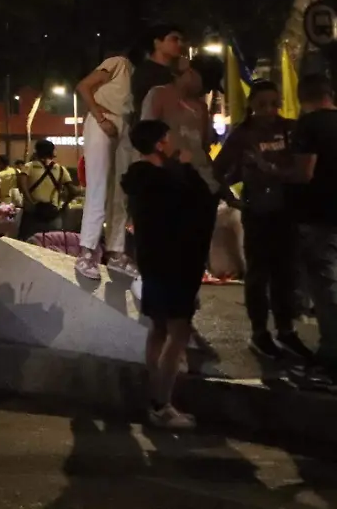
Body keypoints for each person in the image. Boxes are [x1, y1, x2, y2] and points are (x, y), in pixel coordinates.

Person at [122, 118, 219, 428]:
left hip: (153, 263)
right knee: (178, 332)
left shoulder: (139, 180)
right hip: (176, 264)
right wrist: (187, 168)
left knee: (159, 328)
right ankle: (160, 404)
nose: (175, 139)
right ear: (160, 143)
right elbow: (202, 202)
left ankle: (155, 399)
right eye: (169, 135)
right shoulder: (169, 180)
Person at [220, 80, 311, 362]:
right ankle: (260, 333)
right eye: (262, 105)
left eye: (274, 103)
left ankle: (286, 330)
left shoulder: (291, 128)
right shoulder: (243, 134)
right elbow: (219, 169)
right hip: (258, 212)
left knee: (286, 273)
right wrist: (233, 197)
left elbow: (302, 167)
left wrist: (270, 169)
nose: (269, 110)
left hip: (288, 212)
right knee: (259, 274)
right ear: (251, 106)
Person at [287, 72, 337, 378]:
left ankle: (331, 353)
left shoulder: (309, 125)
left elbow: (304, 173)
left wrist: (273, 170)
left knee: (324, 285)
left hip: (319, 214)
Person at [74, 45, 138, 279]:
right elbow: (83, 86)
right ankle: (87, 252)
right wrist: (101, 118)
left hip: (124, 125)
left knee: (119, 193)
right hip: (103, 119)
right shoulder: (118, 62)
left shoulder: (138, 73)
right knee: (98, 187)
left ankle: (116, 252)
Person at [16, 140, 78, 240]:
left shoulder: (29, 167)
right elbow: (73, 191)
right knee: (53, 244)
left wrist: (30, 201)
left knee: (28, 244)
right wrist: (63, 207)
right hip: (53, 214)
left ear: (36, 151)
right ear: (52, 152)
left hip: (32, 214)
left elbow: (22, 186)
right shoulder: (61, 169)